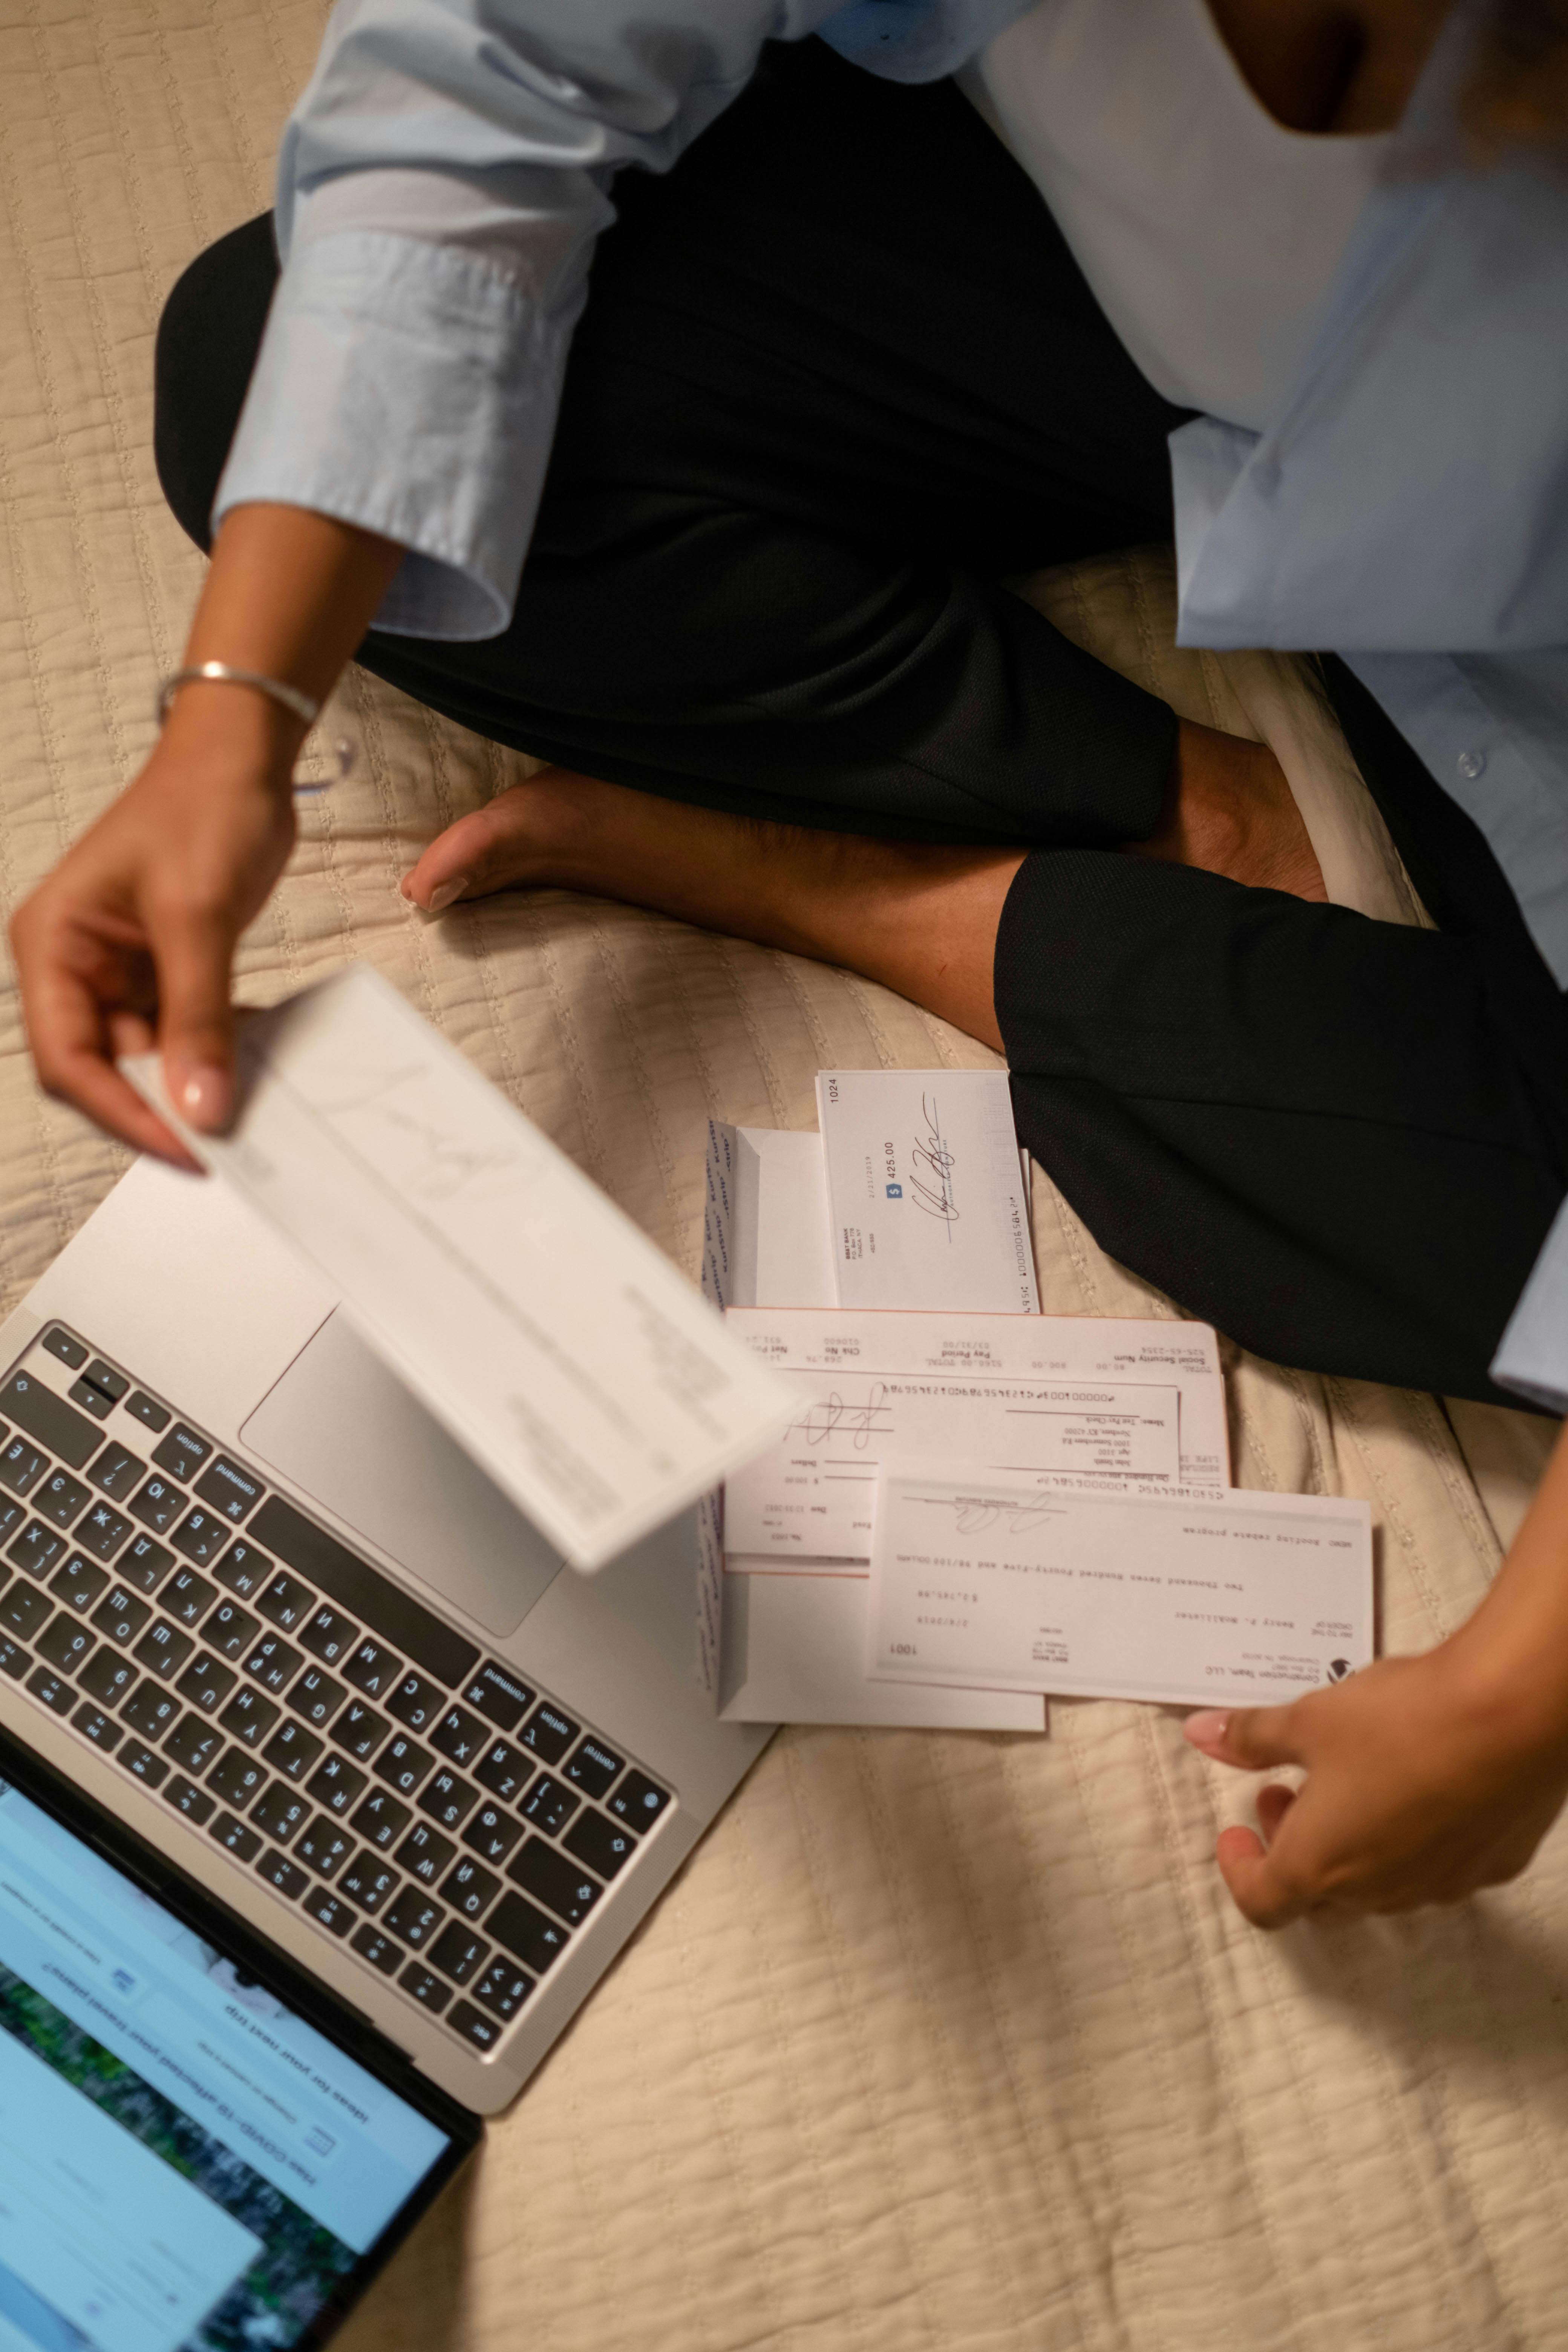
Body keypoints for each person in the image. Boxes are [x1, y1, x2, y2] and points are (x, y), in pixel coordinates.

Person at [11, 0, 1568, 1926]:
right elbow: (500, 62)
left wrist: (1520, 1693)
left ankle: (833, 880)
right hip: (1115, 277)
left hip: (1523, 585)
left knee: (1511, 1255)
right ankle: (1156, 799)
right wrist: (230, 720)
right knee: (266, 378)